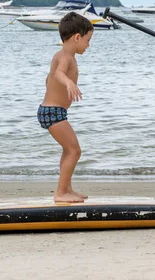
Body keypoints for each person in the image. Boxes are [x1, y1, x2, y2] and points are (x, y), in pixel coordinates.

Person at [37, 12, 94, 203]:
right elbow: (60, 74)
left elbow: (49, 78)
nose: (88, 45)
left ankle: (66, 188)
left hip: (52, 111)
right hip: (53, 112)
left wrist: (56, 85)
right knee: (74, 151)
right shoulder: (66, 57)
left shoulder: (62, 54)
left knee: (67, 150)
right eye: (87, 40)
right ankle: (61, 192)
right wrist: (68, 83)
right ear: (77, 37)